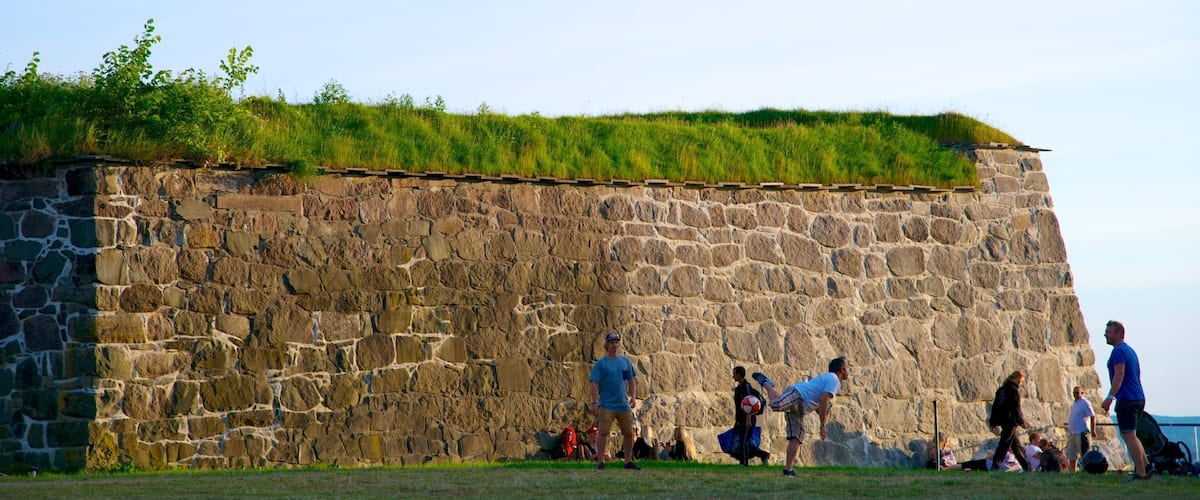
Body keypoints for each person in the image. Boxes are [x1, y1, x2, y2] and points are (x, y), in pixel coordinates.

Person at [752, 356, 850, 477]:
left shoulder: (830, 380)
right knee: (776, 405)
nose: (848, 371)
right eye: (847, 368)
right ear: (841, 370)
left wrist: (824, 412)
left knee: (796, 437)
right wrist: (823, 425)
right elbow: (823, 400)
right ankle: (767, 384)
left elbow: (820, 405)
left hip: (801, 407)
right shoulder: (834, 379)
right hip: (797, 393)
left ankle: (788, 469)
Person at [1100, 320, 1150, 481]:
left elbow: (1119, 374)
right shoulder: (1130, 350)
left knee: (1128, 435)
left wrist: (1109, 397)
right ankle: (1147, 466)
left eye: (1109, 332)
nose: (1105, 334)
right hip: (1138, 397)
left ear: (1119, 334)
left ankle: (1141, 473)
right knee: (1133, 435)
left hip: (1127, 399)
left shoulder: (1119, 352)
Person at [589, 331, 640, 471]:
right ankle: (600, 461)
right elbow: (594, 383)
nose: (614, 345)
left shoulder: (625, 362)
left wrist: (633, 397)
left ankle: (628, 461)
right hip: (606, 404)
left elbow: (631, 380)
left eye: (616, 342)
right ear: (607, 345)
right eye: (611, 342)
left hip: (623, 404)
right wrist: (595, 402)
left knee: (629, 433)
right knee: (603, 432)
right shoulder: (601, 364)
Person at [988, 371, 1031, 472]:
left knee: (1016, 446)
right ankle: (995, 466)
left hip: (1003, 420)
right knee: (1004, 444)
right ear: (1017, 378)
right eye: (1020, 381)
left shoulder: (1001, 390)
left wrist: (992, 422)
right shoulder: (1014, 391)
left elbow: (995, 407)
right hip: (1010, 421)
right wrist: (1022, 422)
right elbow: (1016, 409)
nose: (1020, 384)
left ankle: (1027, 467)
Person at [732, 366, 770, 466]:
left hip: (747, 419)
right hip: (740, 419)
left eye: (735, 373)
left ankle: (743, 463)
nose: (733, 376)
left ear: (739, 375)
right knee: (744, 442)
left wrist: (748, 419)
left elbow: (749, 403)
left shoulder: (746, 387)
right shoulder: (738, 389)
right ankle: (763, 455)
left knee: (744, 441)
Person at [1065, 386, 1096, 472]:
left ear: (1082, 393)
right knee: (1072, 455)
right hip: (1073, 433)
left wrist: (1093, 430)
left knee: (1084, 454)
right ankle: (1072, 472)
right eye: (1074, 393)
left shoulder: (1085, 403)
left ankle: (1087, 471)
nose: (1076, 395)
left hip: (1081, 432)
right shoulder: (1075, 404)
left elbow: (1093, 416)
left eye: (1078, 393)